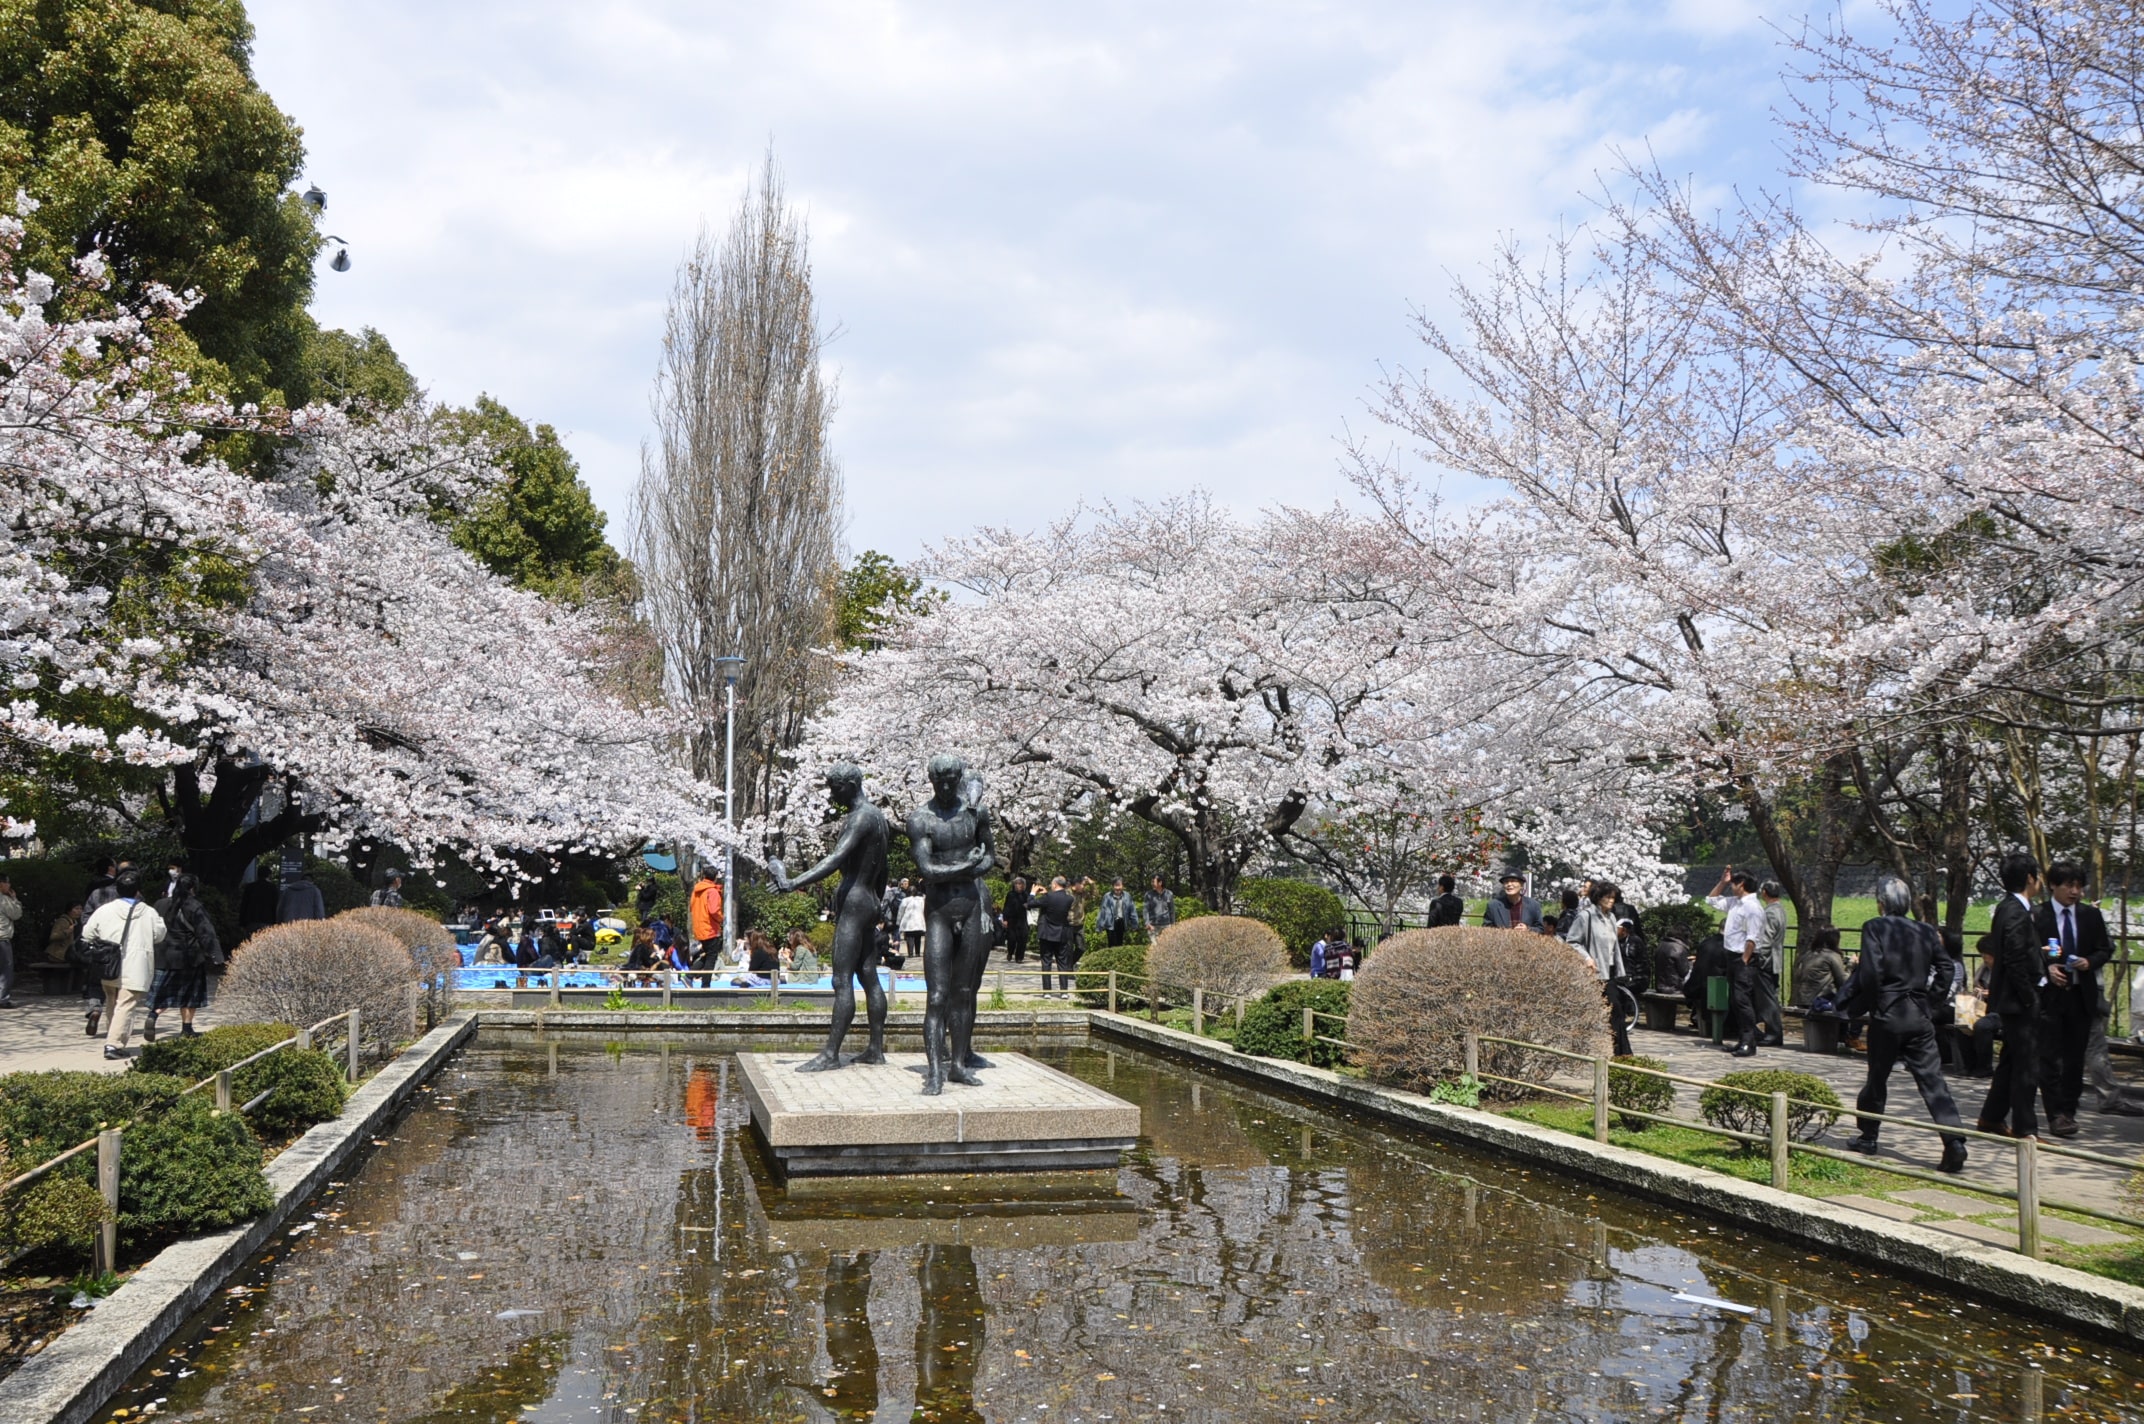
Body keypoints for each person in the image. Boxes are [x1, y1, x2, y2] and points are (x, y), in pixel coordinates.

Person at [1839, 877, 1967, 1172]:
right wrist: (1931, 1001)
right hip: (1919, 1014)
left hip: (1889, 1013)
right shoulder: (1924, 930)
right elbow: (1946, 967)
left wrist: (1875, 1004)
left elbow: (1870, 972)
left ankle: (1869, 1136)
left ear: (1880, 903)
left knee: (1877, 1078)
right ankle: (1954, 1142)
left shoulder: (1875, 927)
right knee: (1933, 1082)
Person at [2030, 861, 2109, 1137]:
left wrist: (2090, 961)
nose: (2074, 892)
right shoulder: (2038, 915)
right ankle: (2054, 1113)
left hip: (2080, 995)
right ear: (2053, 885)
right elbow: (2027, 952)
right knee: (2050, 1057)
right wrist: (2046, 967)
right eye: (2069, 886)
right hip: (2050, 997)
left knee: (2075, 1060)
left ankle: (2068, 1111)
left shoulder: (2090, 916)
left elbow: (2105, 949)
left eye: (2079, 886)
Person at [1979, 852, 2046, 1140]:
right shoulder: (2017, 912)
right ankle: (2025, 1129)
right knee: (2026, 1066)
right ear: (2030, 878)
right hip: (2019, 1002)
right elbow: (2016, 960)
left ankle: (1991, 1117)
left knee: (2010, 1060)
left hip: (2010, 999)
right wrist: (2030, 997)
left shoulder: (2006, 908)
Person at [82, 868, 166, 1059]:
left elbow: (87, 933)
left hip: (108, 964)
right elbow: (159, 935)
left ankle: (114, 1037)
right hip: (136, 965)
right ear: (138, 891)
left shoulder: (104, 910)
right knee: (126, 1004)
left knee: (113, 1000)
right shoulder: (148, 912)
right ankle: (113, 1044)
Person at [1705, 868, 1776, 1056]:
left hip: (1743, 958)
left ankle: (1749, 1042)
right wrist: (1723, 882)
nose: (1731, 887)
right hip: (1732, 956)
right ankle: (1742, 1039)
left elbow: (1752, 937)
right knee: (1736, 1001)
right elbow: (1711, 900)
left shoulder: (1752, 907)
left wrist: (1744, 960)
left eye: (1733, 884)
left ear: (1741, 884)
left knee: (1743, 1000)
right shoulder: (1736, 903)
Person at [146, 872, 221, 1041]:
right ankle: (187, 1028)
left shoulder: (160, 904)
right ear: (193, 888)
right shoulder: (194, 906)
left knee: (163, 992)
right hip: (189, 957)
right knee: (190, 994)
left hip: (163, 955)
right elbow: (205, 932)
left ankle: (153, 1016)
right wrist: (216, 955)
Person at [1569, 881, 1633, 1056]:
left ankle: (1621, 1052)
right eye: (1607, 897)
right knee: (1612, 1012)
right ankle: (1622, 1053)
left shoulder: (1611, 918)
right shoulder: (1586, 916)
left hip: (1610, 971)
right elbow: (1572, 941)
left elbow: (1614, 947)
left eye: (1613, 897)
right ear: (1598, 897)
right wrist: (1587, 958)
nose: (1611, 901)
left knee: (1616, 1012)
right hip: (1594, 973)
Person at [1035, 876, 1078, 994]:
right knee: (1063, 963)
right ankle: (1064, 991)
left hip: (1047, 934)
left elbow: (1030, 903)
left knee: (1046, 962)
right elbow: (1055, 902)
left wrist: (1033, 893)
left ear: (1054, 885)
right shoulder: (1069, 898)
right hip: (1062, 934)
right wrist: (1046, 895)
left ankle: (1047, 991)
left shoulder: (1048, 897)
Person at [1792, 927, 1850, 1008]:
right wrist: (1851, 966)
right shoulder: (1832, 956)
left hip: (1803, 1000)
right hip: (1821, 1000)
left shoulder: (1808, 954)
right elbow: (1843, 982)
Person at [690, 868, 724, 970]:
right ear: (715, 877)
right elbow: (714, 911)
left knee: (708, 954)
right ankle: (705, 984)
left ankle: (689, 976)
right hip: (710, 928)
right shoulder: (712, 891)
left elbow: (691, 907)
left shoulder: (696, 891)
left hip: (699, 927)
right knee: (712, 956)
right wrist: (721, 918)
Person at [1000, 876, 1032, 963]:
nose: (1019, 886)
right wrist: (1005, 919)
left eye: (1021, 884)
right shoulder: (1010, 894)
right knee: (1012, 939)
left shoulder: (1026, 895)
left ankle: (1019, 957)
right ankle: (1010, 952)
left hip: (1022, 920)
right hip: (1012, 920)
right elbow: (1006, 907)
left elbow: (1030, 904)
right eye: (1017, 884)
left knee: (1022, 939)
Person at [1097, 879, 1138, 948]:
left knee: (1120, 943)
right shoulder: (1107, 896)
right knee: (1111, 944)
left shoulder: (1127, 896)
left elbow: (1132, 910)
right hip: (1110, 923)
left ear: (1123, 886)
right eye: (1116, 886)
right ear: (1112, 886)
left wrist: (1135, 924)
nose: (1117, 888)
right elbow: (1102, 911)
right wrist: (1099, 926)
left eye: (1119, 885)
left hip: (1121, 922)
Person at [0, 869, 20, 1010]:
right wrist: (14, 899)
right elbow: (16, 914)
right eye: (7, 882)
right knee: (5, 969)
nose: (9, 885)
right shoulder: (4, 899)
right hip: (2, 937)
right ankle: (2, 998)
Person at [898, 883, 927, 961]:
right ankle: (917, 952)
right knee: (918, 937)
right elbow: (924, 910)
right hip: (919, 921)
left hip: (909, 922)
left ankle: (910, 953)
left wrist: (898, 921)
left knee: (909, 937)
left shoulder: (905, 900)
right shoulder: (921, 900)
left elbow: (901, 911)